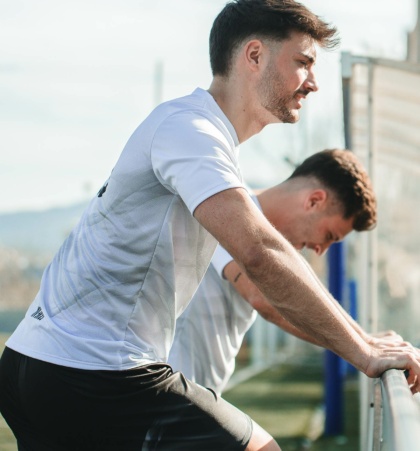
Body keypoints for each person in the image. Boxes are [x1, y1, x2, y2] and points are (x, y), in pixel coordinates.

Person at [1, 1, 419, 450]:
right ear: (254, 55)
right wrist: (364, 350)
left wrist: (363, 340)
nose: (312, 82)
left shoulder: (205, 140)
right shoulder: (191, 130)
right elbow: (259, 251)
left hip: (40, 362)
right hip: (93, 369)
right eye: (303, 63)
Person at [168, 148, 380, 395]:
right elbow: (266, 298)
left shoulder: (254, 223)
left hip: (195, 393)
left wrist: (367, 340)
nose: (321, 250)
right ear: (314, 201)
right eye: (329, 236)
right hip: (168, 387)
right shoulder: (230, 207)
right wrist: (364, 350)